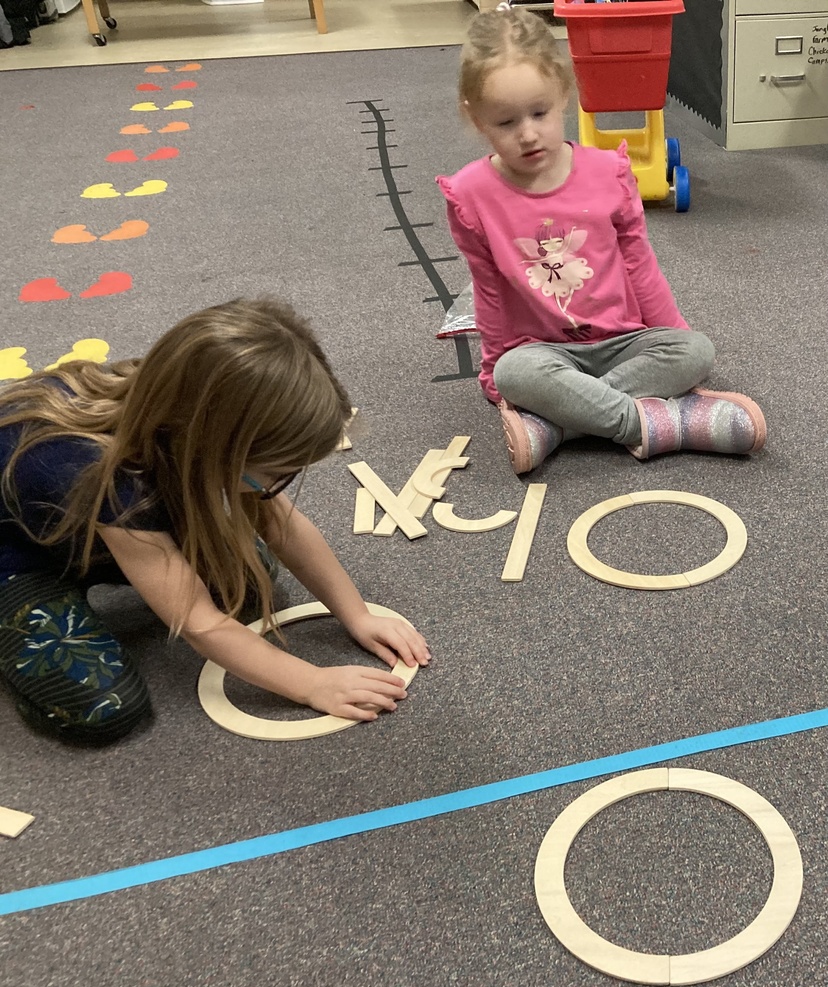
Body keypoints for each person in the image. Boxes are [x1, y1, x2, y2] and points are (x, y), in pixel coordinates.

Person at [0, 296, 430, 744]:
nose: (280, 486)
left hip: (105, 524)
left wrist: (356, 615)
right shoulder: (98, 471)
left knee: (248, 577)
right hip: (20, 554)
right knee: (105, 708)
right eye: (275, 473)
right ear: (213, 449)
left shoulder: (190, 405)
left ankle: (110, 556)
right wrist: (311, 683)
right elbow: (197, 621)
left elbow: (278, 520)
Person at [437, 6, 766, 475]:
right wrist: (492, 370)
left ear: (564, 95)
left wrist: (672, 335)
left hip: (622, 340)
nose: (529, 133)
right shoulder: (471, 194)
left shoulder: (607, 172)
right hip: (543, 349)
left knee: (695, 351)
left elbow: (639, 262)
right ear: (475, 117)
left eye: (540, 112)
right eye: (506, 123)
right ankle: (653, 423)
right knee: (515, 373)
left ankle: (559, 425)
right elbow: (488, 288)